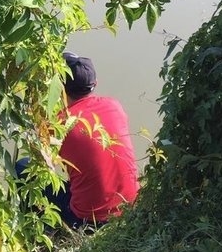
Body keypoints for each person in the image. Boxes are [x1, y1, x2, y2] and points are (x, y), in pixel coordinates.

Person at [16, 52, 139, 230]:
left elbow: (43, 164)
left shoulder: (58, 124)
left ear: (60, 88)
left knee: (23, 167)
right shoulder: (115, 106)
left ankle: (38, 229)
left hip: (88, 222)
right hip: (130, 209)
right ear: (95, 84)